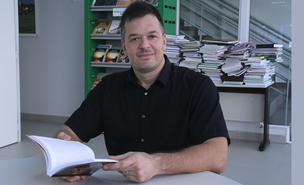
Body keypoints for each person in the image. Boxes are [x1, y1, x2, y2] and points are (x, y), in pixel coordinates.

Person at [54, 1, 230, 183]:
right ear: (124, 47)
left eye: (152, 36)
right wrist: (64, 152)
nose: (144, 45)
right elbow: (68, 131)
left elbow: (218, 156)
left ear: (164, 41)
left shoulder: (198, 87)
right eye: (135, 38)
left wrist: (156, 164)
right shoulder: (107, 88)